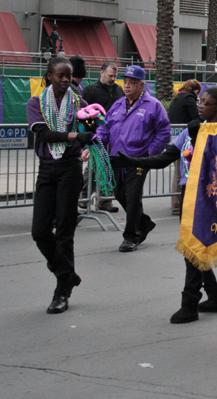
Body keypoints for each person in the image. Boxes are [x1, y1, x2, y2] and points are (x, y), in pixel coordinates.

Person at [113, 86, 217, 323]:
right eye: (199, 102)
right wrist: (132, 161)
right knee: (195, 249)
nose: (200, 106)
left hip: (209, 197)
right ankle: (215, 296)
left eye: (205, 103)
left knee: (191, 248)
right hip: (188, 193)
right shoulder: (191, 129)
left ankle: (190, 303)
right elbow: (165, 157)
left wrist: (197, 137)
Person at [27, 57, 95, 314]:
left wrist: (92, 132)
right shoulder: (36, 104)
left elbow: (94, 129)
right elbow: (43, 133)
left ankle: (61, 292)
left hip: (69, 168)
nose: (66, 80)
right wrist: (75, 135)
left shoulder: (80, 103)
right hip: (47, 168)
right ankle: (67, 273)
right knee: (40, 231)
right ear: (49, 76)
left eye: (69, 76)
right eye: (60, 76)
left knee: (65, 231)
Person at [93, 65, 171, 252]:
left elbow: (164, 132)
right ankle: (143, 223)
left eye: (132, 83)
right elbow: (104, 128)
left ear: (141, 85)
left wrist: (149, 154)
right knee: (119, 193)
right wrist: (96, 144)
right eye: (125, 82)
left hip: (138, 159)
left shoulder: (153, 105)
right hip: (117, 157)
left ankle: (131, 236)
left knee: (133, 196)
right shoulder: (118, 104)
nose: (127, 86)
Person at [80, 61, 125, 213]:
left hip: (114, 136)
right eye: (110, 75)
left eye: (115, 76)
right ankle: (83, 197)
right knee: (93, 167)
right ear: (101, 73)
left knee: (109, 168)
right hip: (95, 136)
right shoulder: (90, 90)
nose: (113, 78)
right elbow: (82, 112)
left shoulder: (119, 90)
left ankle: (105, 201)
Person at [167, 79, 201, 215]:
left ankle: (176, 203)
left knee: (178, 171)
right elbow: (196, 117)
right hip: (186, 138)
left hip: (174, 137)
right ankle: (177, 205)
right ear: (196, 91)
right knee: (182, 172)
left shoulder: (177, 98)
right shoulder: (189, 99)